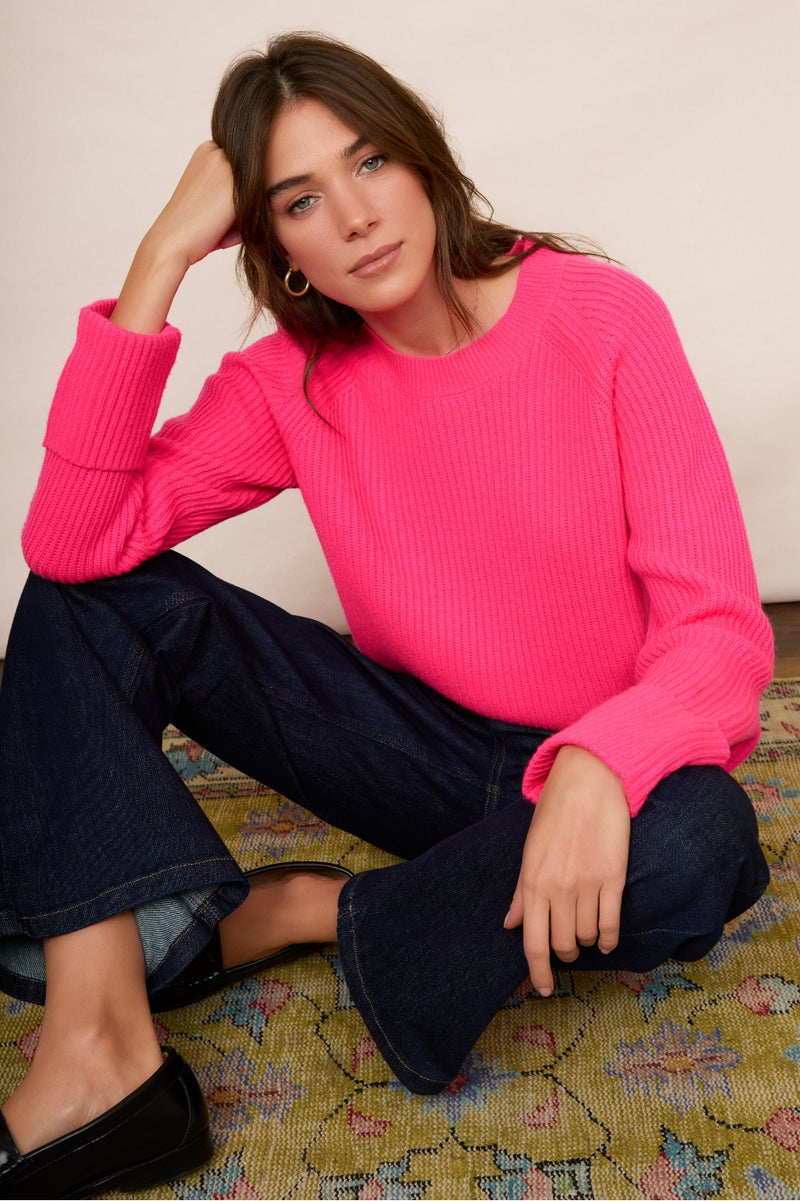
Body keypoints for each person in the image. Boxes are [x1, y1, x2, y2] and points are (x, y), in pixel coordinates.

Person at [0, 30, 773, 1199]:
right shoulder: (292, 381)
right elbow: (72, 543)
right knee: (90, 599)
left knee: (701, 835)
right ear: (275, 246)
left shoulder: (600, 319)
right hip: (414, 753)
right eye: (300, 200)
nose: (355, 217)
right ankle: (99, 1045)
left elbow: (717, 632)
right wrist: (158, 259)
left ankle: (312, 909)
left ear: (421, 159)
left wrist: (596, 761)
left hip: (598, 780)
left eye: (368, 163)